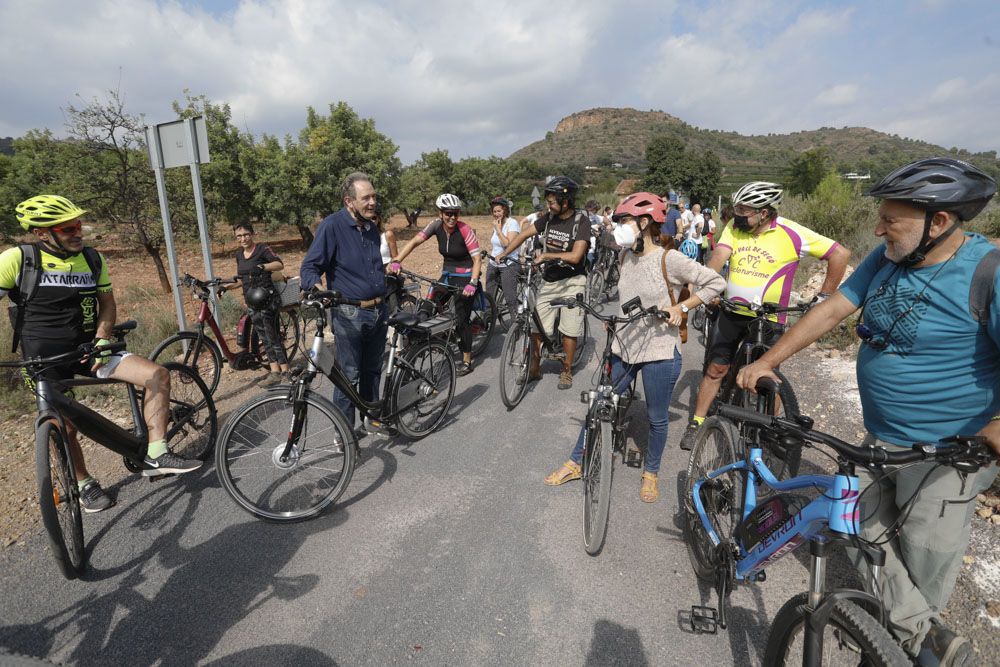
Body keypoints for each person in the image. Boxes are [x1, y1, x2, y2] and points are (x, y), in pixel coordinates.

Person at [737, 157, 1000, 664]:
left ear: (938, 222)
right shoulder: (889, 258)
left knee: (922, 568)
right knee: (852, 522)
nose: (878, 228)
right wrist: (769, 359)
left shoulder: (987, 272)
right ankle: (914, 641)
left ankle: (904, 646)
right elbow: (833, 308)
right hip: (880, 436)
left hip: (949, 455)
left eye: (890, 219)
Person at [1, 195, 202, 511]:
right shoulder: (18, 259)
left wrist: (103, 338)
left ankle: (157, 452)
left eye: (78, 225)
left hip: (89, 349)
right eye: (68, 228)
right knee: (63, 427)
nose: (77, 233)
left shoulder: (92, 259)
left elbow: (107, 303)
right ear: (42, 233)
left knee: (157, 374)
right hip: (42, 360)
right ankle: (84, 483)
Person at [543, 192, 725, 501]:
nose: (618, 228)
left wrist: (682, 308)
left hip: (660, 352)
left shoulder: (670, 258)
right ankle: (575, 462)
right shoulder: (624, 256)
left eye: (623, 221)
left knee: (656, 417)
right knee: (599, 402)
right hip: (624, 345)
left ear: (644, 223)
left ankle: (650, 472)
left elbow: (715, 283)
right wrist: (614, 319)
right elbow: (630, 297)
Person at [678, 181, 851, 450]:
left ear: (765, 212)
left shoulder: (791, 232)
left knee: (766, 377)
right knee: (716, 369)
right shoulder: (734, 229)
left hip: (770, 318)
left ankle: (770, 429)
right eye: (737, 210)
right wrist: (707, 286)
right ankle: (697, 422)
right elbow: (718, 258)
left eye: (744, 211)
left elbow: (840, 254)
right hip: (731, 312)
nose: (738, 216)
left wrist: (824, 297)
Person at [300, 172, 388, 432]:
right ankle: (345, 432)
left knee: (373, 370)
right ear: (349, 201)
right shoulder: (332, 226)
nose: (373, 202)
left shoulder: (371, 227)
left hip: (379, 310)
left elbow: (372, 266)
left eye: (374, 196)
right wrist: (317, 290)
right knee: (348, 376)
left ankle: (370, 418)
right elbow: (309, 267)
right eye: (366, 198)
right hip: (350, 313)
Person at [496, 176, 590, 390]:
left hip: (573, 281)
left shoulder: (580, 221)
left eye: (552, 201)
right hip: (550, 280)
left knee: (569, 328)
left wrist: (546, 256)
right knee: (536, 327)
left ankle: (566, 370)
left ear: (565, 201)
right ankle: (534, 368)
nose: (548, 204)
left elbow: (576, 256)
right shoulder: (548, 219)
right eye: (547, 200)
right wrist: (504, 253)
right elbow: (522, 235)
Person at [391, 193, 482, 376]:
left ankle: (466, 360)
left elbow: (477, 258)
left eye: (455, 213)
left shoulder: (465, 229)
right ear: (440, 213)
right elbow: (415, 242)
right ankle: (420, 348)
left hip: (465, 277)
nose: (452, 217)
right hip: (447, 275)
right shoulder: (435, 225)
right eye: (448, 213)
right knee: (427, 306)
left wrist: (473, 282)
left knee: (462, 319)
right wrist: (397, 260)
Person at [228, 222, 289, 387]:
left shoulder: (262, 249)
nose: (243, 238)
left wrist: (263, 266)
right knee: (264, 338)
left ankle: (285, 371)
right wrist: (225, 287)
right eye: (239, 236)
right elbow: (242, 279)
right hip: (252, 302)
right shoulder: (239, 255)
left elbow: (279, 264)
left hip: (267, 300)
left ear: (252, 234)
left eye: (246, 234)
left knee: (272, 336)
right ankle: (275, 371)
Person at [485, 196, 521, 317]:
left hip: (508, 264)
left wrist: (499, 230)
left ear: (505, 210)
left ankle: (516, 326)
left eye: (499, 211)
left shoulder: (512, 223)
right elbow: (496, 245)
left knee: (510, 298)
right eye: (494, 211)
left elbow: (508, 245)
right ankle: (487, 324)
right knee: (488, 297)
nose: (496, 214)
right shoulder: (496, 224)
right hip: (494, 263)